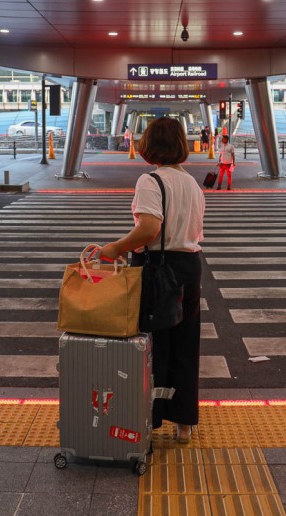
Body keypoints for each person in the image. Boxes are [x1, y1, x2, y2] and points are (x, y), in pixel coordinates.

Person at [101, 117, 205, 445]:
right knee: (185, 344)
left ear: (148, 146)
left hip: (158, 268)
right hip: (189, 266)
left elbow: (149, 228)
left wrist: (114, 248)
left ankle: (150, 417)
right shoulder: (192, 183)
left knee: (153, 346)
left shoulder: (151, 180)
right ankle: (184, 422)